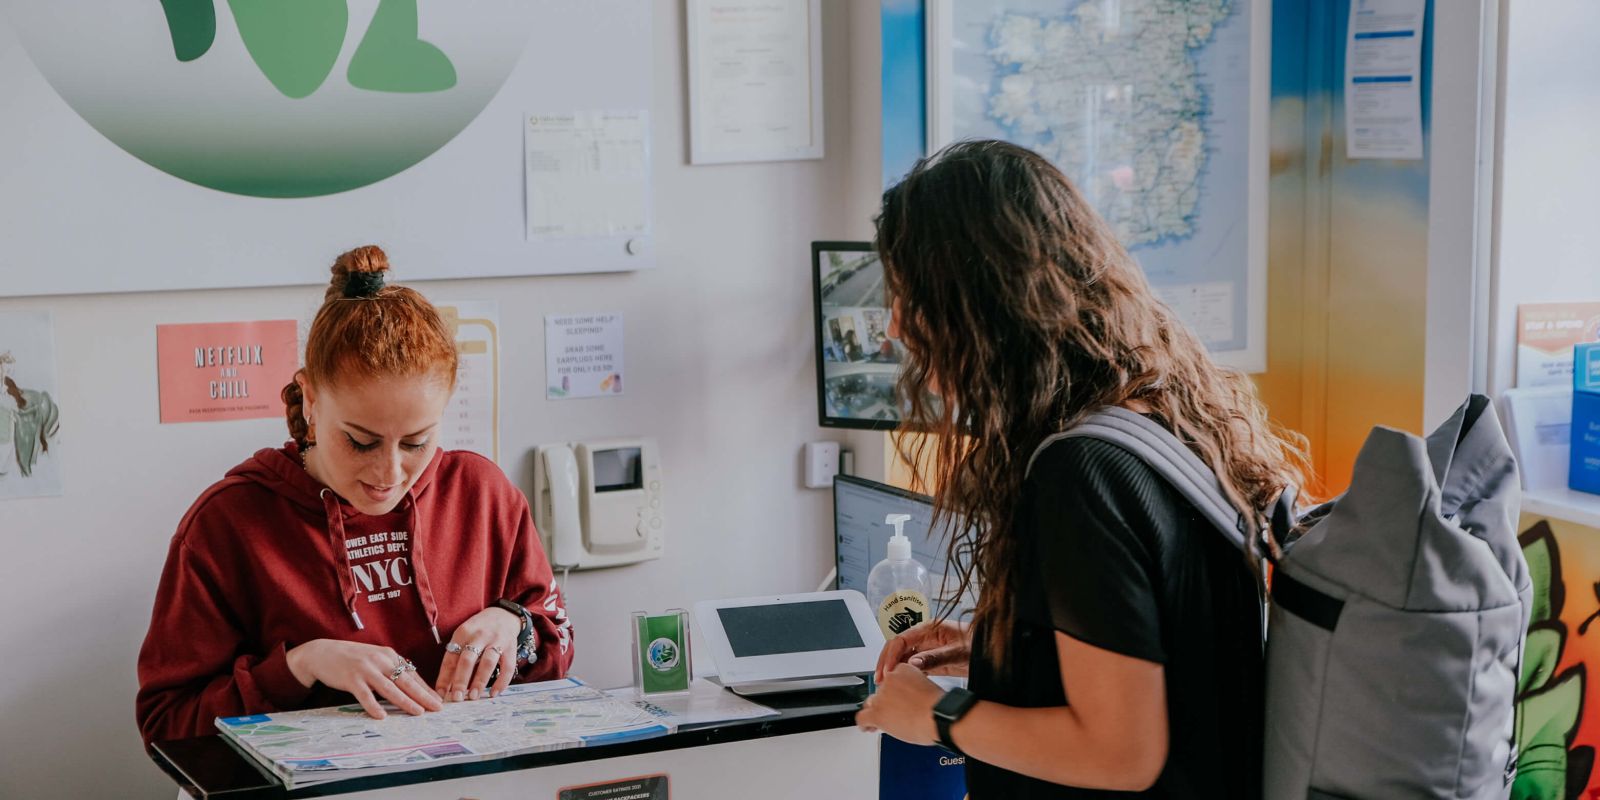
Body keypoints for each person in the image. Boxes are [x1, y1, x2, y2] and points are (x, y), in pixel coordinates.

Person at [854, 141, 1310, 799]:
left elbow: (1122, 751)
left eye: (910, 295)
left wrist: (937, 715)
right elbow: (1172, 647)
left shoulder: (1079, 473)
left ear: (979, 305)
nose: (896, 325)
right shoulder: (1158, 417)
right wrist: (1000, 646)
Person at [136, 246, 574, 744]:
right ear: (311, 401)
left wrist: (512, 625)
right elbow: (167, 724)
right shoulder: (228, 523)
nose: (389, 473)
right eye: (361, 441)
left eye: (417, 442)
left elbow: (554, 644)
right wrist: (300, 667)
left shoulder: (483, 496)